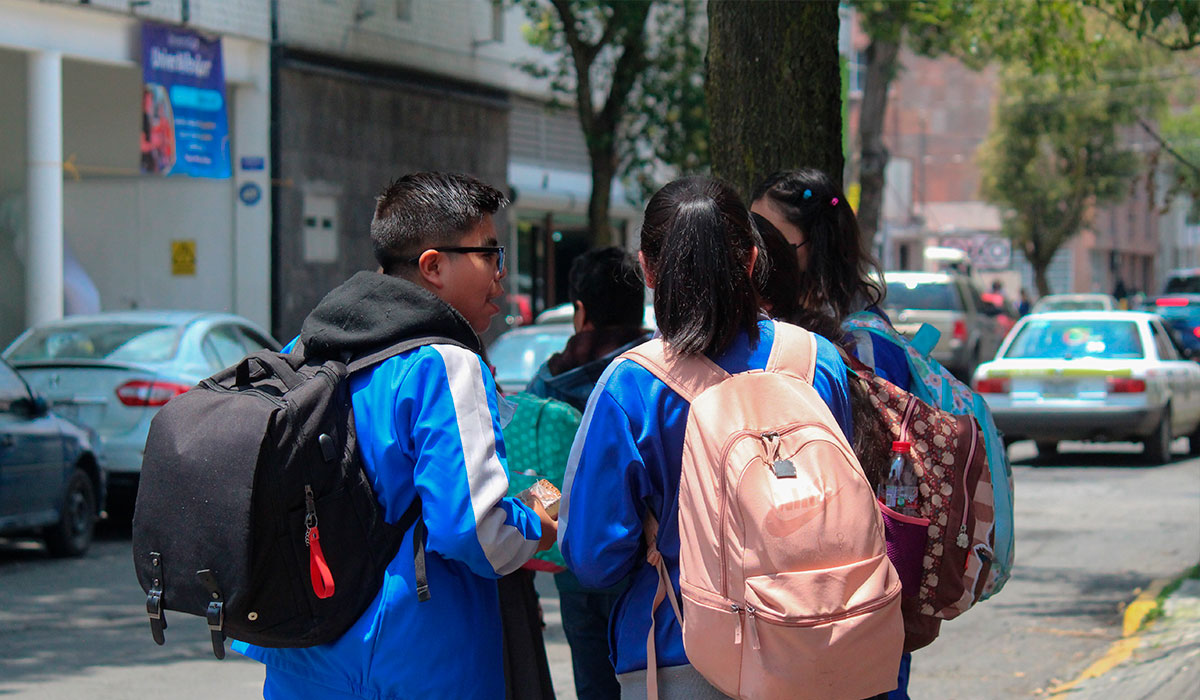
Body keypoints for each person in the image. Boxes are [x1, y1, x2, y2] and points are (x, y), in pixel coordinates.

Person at [232, 172, 557, 699]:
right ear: (433, 266)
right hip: (420, 659)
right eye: (490, 254)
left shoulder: (308, 348)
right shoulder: (446, 363)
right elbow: (475, 531)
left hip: (305, 646)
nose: (502, 277)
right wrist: (538, 523)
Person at [558, 176, 856, 698]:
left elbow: (593, 558)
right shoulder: (816, 361)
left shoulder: (631, 387)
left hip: (685, 659)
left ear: (648, 270)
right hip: (818, 648)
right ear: (750, 261)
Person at [750, 167, 914, 700]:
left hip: (852, 567)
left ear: (806, 247)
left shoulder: (842, 344)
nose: (754, 252)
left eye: (767, 237)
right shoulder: (873, 330)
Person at [526, 247, 651, 700]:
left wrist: (561, 520)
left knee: (593, 685)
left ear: (581, 312)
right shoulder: (653, 371)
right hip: (642, 562)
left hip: (575, 561)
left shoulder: (549, 378)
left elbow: (540, 472)